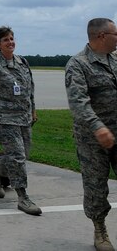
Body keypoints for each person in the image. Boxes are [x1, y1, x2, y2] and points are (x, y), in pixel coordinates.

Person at [0, 26, 41, 216]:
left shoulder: (22, 62)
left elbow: (29, 89)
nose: (10, 42)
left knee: (23, 154)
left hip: (23, 118)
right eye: (5, 40)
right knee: (18, 156)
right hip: (3, 119)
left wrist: (33, 109)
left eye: (11, 38)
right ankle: (23, 197)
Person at [65, 18, 117, 251]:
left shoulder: (115, 60)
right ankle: (100, 230)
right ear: (102, 36)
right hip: (93, 139)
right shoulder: (78, 64)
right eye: (116, 34)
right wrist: (98, 127)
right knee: (96, 187)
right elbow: (78, 102)